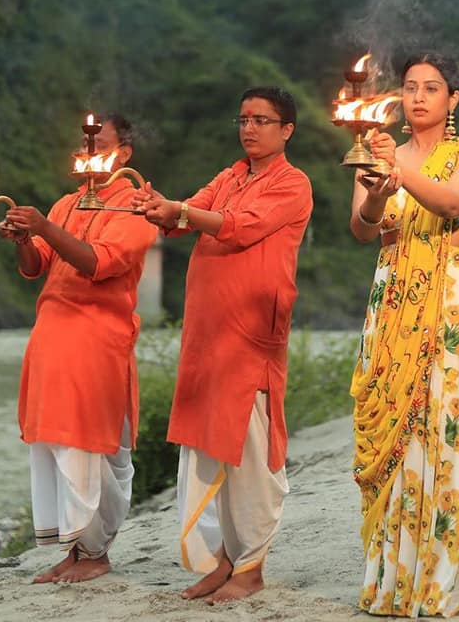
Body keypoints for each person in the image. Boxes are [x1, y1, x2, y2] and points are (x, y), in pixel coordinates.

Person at [349, 53, 459, 617]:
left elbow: (452, 203)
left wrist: (398, 176)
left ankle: (453, 576)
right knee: (396, 428)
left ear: (453, 99)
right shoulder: (377, 155)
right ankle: (395, 578)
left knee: (446, 427)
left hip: (448, 303)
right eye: (410, 87)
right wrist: (377, 189)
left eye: (431, 88)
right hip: (392, 301)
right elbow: (363, 227)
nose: (418, 97)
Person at [132, 86, 313, 605]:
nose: (249, 128)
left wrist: (180, 211)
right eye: (244, 119)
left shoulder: (293, 183)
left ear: (287, 130)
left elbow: (237, 228)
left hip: (252, 331)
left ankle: (251, 567)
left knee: (248, 448)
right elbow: (191, 212)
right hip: (207, 332)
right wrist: (159, 208)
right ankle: (222, 561)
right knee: (209, 440)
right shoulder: (231, 175)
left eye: (261, 120)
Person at [1, 113, 157, 584]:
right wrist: (25, 238)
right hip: (50, 334)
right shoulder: (67, 203)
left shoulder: (135, 203)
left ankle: (94, 552)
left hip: (96, 338)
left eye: (99, 143)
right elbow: (36, 266)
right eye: (84, 142)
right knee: (52, 442)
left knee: (87, 445)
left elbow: (98, 263)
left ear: (124, 154)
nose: (88, 151)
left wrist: (44, 227)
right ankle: (72, 549)